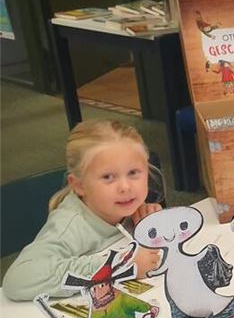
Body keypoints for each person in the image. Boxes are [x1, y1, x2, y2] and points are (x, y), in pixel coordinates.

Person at [3, 120, 162, 301]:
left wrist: (149, 221)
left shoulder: (123, 205)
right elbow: (18, 279)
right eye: (108, 177)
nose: (125, 187)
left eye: (133, 172)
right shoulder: (70, 226)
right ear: (79, 186)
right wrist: (119, 265)